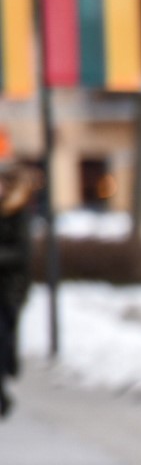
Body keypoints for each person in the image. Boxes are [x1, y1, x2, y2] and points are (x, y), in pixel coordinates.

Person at [0, 163, 38, 419]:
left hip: (10, 289)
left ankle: (7, 375)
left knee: (5, 337)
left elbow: (22, 253)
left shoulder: (17, 213)